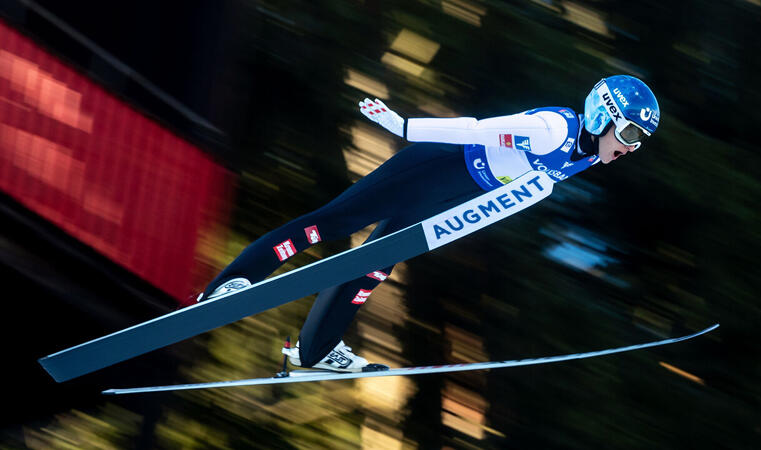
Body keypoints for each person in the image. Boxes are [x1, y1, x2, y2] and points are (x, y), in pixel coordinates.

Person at [197, 75, 661, 372]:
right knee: (334, 222)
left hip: (457, 193)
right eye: (629, 135)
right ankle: (229, 284)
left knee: (377, 264)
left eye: (639, 142)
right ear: (604, 116)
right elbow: (475, 128)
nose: (630, 148)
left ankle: (315, 350)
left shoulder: (585, 157)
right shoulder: (553, 130)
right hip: (437, 165)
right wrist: (404, 127)